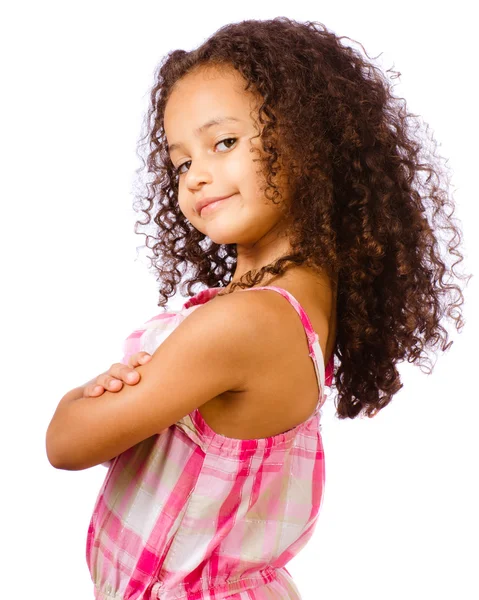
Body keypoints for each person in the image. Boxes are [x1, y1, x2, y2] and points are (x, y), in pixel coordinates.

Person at [45, 17, 470, 600]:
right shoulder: (281, 308)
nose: (196, 177)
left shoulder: (248, 324)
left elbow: (66, 445)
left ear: (308, 140)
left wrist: (85, 395)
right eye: (180, 162)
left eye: (224, 143)